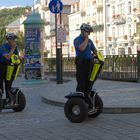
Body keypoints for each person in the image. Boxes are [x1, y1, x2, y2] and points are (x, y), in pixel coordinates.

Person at [73, 23, 97, 109]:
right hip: (81, 64)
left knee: (88, 82)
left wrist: (99, 56)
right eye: (88, 32)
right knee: (81, 83)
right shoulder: (77, 40)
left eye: (89, 33)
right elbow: (81, 48)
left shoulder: (90, 41)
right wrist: (86, 38)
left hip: (89, 64)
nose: (89, 34)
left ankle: (87, 100)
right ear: (83, 31)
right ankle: (79, 102)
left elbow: (95, 51)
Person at [0, 32, 19, 105]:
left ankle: (9, 99)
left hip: (9, 66)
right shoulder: (3, 47)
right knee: (0, 84)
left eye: (15, 39)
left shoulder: (15, 47)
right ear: (8, 39)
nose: (14, 40)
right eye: (13, 39)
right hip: (1, 65)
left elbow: (15, 57)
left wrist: (20, 58)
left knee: (8, 84)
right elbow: (7, 57)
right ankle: (1, 100)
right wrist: (13, 49)